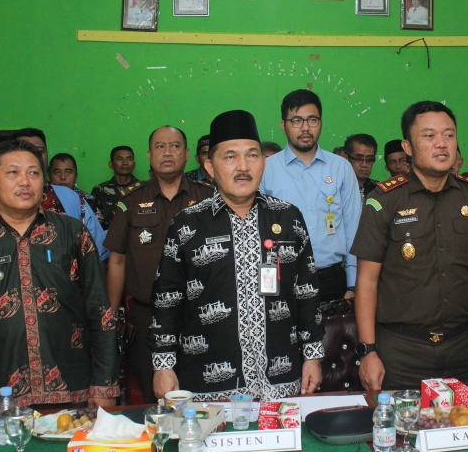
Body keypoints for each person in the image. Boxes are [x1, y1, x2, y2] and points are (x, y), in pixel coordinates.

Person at [151, 110, 324, 400]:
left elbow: (307, 292)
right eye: (230, 157)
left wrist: (313, 356)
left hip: (281, 382)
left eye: (252, 155)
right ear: (210, 166)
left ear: (263, 162)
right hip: (208, 388)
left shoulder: (288, 217)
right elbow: (167, 299)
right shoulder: (186, 224)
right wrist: (163, 365)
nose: (243, 167)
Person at [0, 139, 119, 413]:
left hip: (73, 392)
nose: (25, 181)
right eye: (13, 172)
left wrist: (104, 385)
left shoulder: (73, 233)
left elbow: (100, 312)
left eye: (33, 173)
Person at [351, 101, 468, 389]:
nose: (441, 144)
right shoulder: (383, 202)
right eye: (429, 136)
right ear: (408, 147)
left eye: (449, 135)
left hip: (466, 346)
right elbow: (367, 280)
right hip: (402, 351)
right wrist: (368, 351)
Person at [104, 126, 211, 403]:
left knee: (200, 393)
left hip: (199, 315)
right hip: (145, 317)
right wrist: (112, 314)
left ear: (186, 154)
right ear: (150, 155)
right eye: (160, 146)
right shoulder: (131, 201)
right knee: (153, 396)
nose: (167, 152)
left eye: (175, 146)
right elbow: (117, 260)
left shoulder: (208, 198)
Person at [0, 128, 107, 260]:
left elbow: (97, 254)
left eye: (39, 151)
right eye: (25, 149)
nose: (32, 156)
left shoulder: (69, 197)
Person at [261, 89, 362, 302]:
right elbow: (258, 233)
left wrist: (353, 282)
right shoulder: (266, 169)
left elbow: (354, 226)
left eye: (312, 120)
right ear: (283, 125)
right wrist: (266, 286)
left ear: (321, 122)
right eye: (296, 120)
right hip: (282, 278)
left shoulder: (341, 168)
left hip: (332, 279)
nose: (305, 128)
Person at [91, 145, 142, 231]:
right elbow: (94, 223)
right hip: (108, 238)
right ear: (111, 164)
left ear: (134, 164)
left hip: (137, 238)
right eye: (120, 159)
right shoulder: (99, 190)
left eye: (129, 159)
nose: (125, 163)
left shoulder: (143, 189)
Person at [48, 153, 104, 225]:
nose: (63, 177)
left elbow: (96, 229)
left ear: (76, 176)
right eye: (57, 172)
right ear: (49, 175)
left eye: (68, 172)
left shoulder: (88, 200)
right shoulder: (40, 199)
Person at [345, 134, 378, 200]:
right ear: (347, 158)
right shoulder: (337, 187)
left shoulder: (378, 190)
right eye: (358, 158)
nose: (364, 165)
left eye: (369, 159)